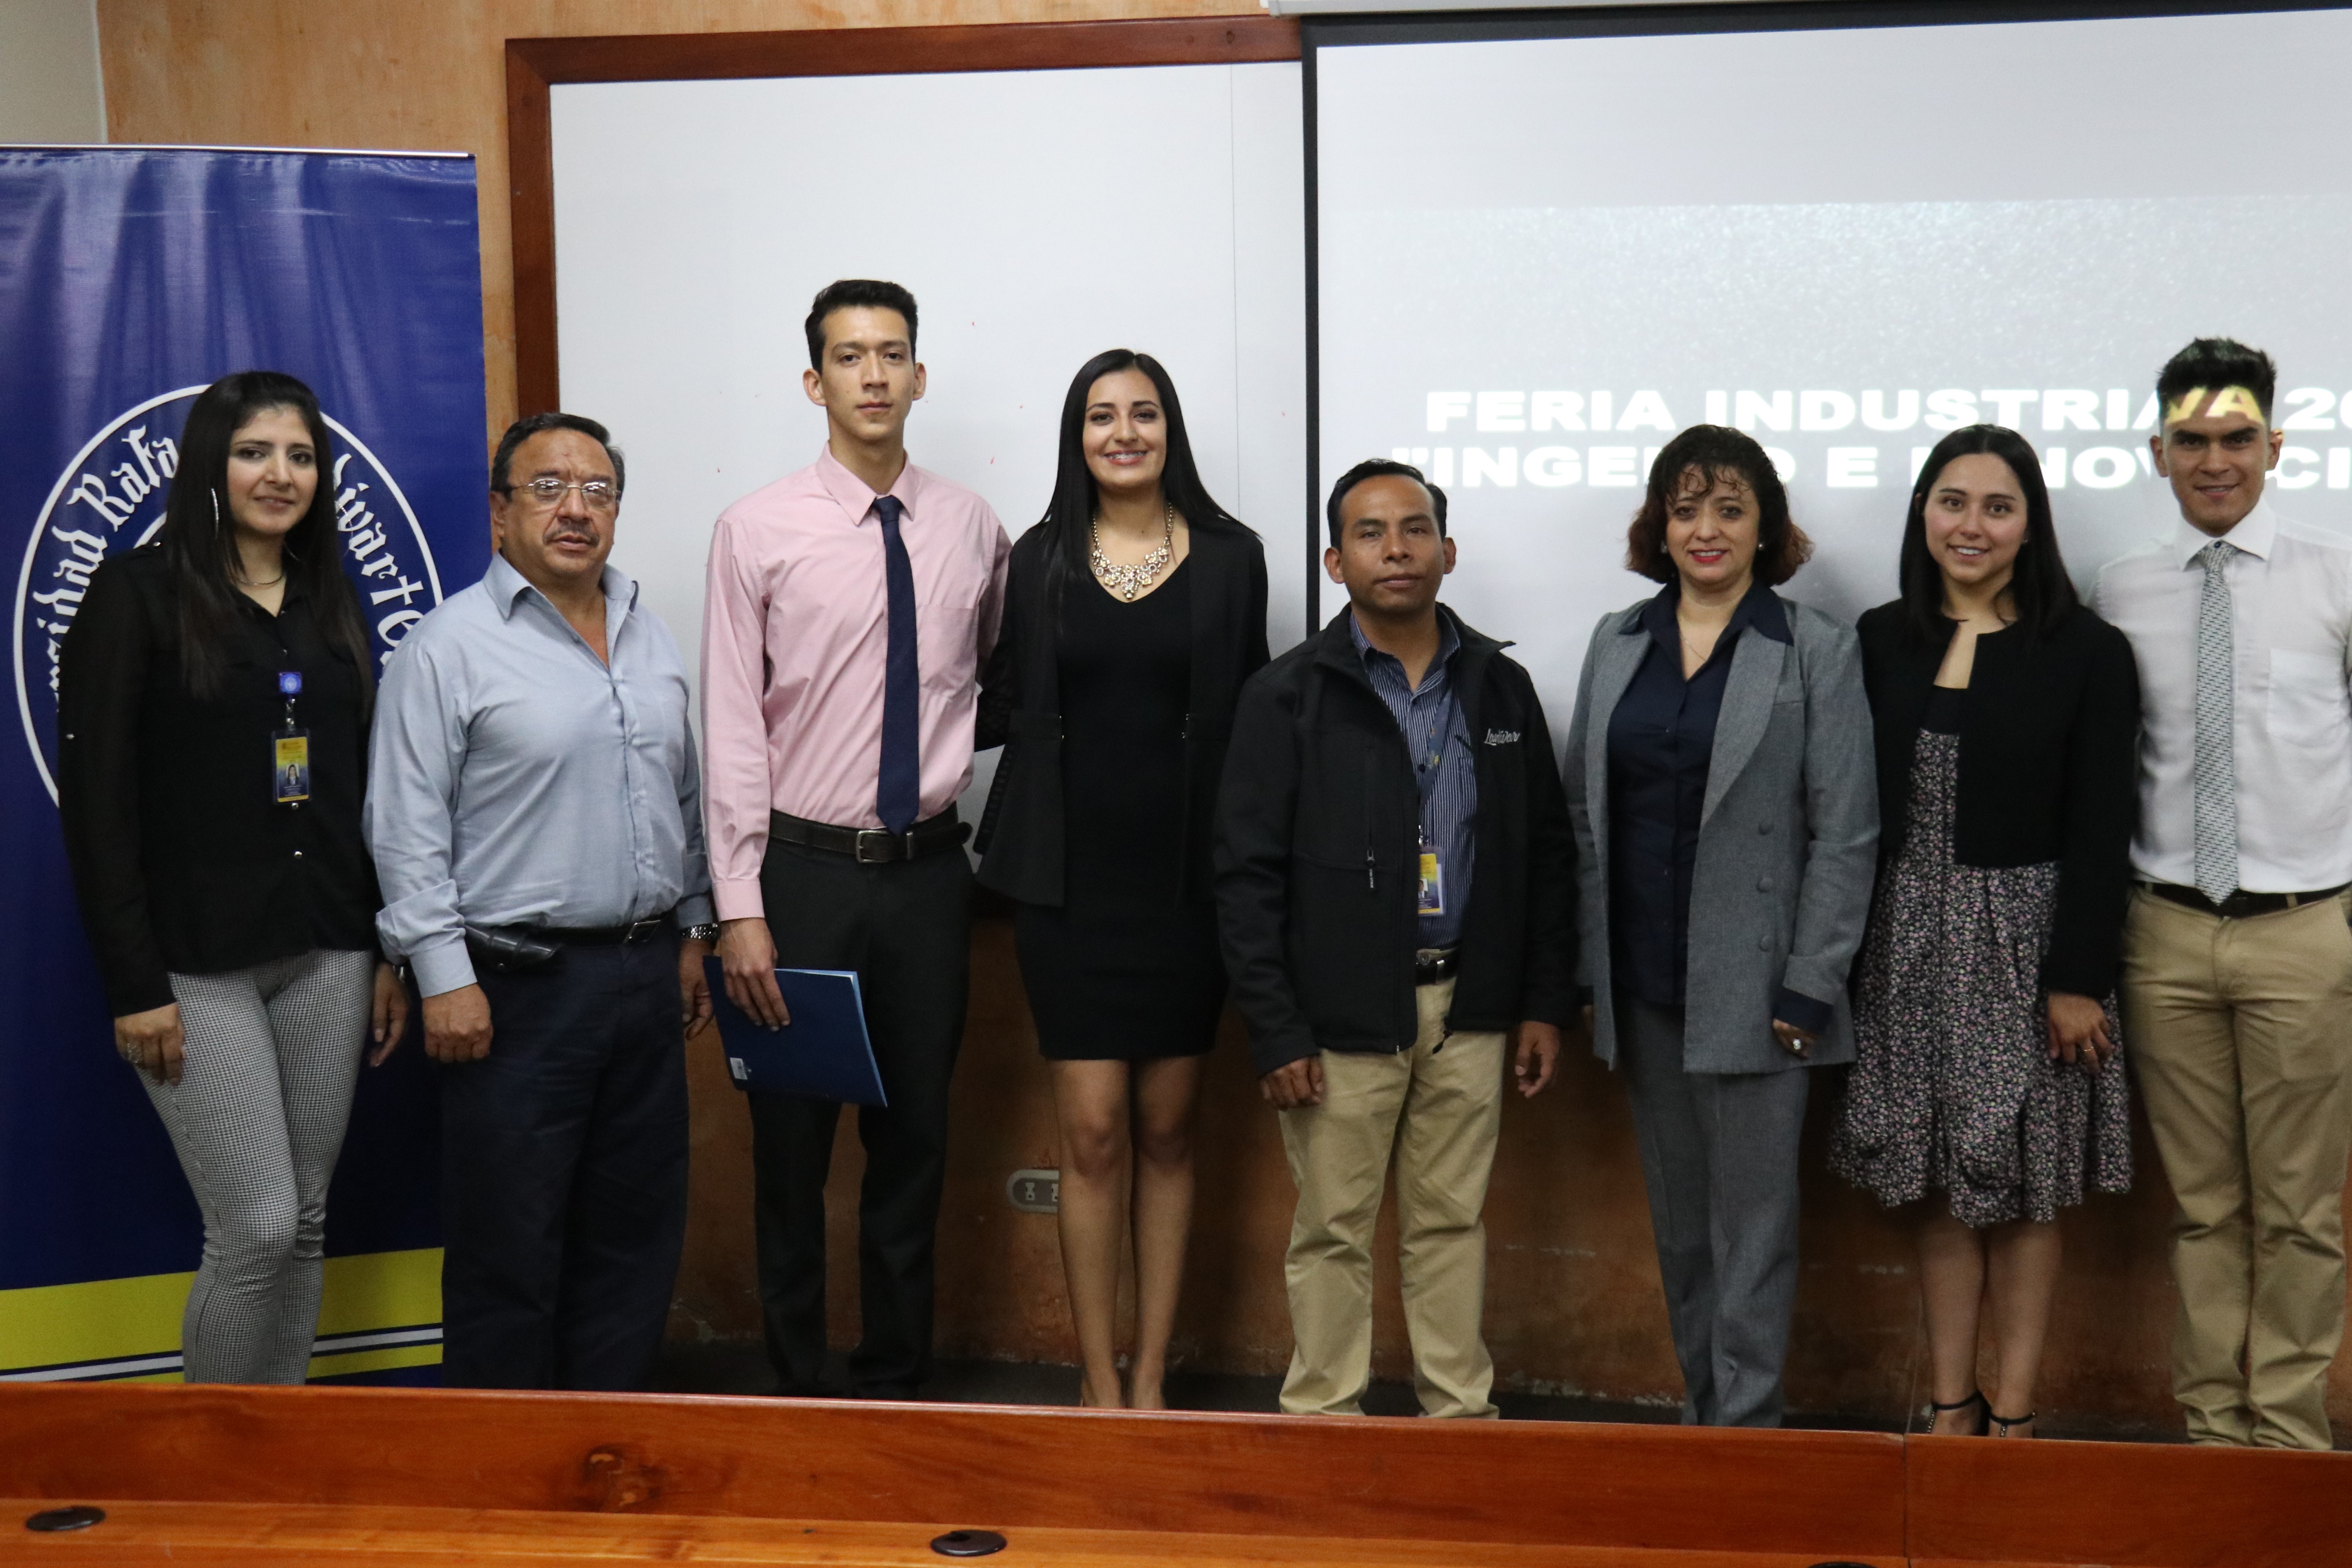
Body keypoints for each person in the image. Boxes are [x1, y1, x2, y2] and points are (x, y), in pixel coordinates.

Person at [57, 369, 410, 1385]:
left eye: (301, 455)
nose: (280, 473)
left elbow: (354, 786)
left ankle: (278, 1460)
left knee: (303, 1220)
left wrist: (383, 946)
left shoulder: (328, 596)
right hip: (194, 967)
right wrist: (135, 986)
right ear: (210, 462)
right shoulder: (137, 592)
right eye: (255, 451)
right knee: (253, 1224)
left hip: (329, 949)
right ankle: (203, 1478)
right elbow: (100, 805)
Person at [1215, 458, 1574, 1418]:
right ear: (1336, 561)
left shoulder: (1500, 689)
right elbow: (1244, 880)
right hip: (1339, 1014)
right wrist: (1277, 1029)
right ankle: (1324, 1423)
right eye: (1370, 533)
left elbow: (1545, 855)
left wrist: (1542, 1000)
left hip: (1473, 1005)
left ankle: (1459, 1418)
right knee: (1331, 1229)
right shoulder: (1287, 695)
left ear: (1447, 551)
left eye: (1415, 529)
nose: (1397, 549)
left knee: (1450, 1221)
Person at [704, 279, 1011, 1400]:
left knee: (914, 1144)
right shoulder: (756, 528)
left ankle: (895, 1381)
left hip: (928, 877)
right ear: (814, 381)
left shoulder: (973, 525)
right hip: (800, 880)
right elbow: (733, 722)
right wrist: (740, 904)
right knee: (790, 1154)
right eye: (849, 356)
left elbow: (983, 676)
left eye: (892, 354)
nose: (873, 375)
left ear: (920, 375)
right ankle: (793, 1386)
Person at [366, 411, 714, 1390]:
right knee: (507, 1250)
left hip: (646, 978)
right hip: (511, 991)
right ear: (499, 513)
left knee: (634, 1241)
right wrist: (442, 976)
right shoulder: (449, 647)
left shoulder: (650, 634)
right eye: (548, 487)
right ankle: (503, 1485)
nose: (575, 508)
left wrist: (694, 927)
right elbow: (404, 824)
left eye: (597, 490)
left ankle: (605, 1456)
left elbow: (680, 794)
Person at [1563, 424, 1876, 1428]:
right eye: (1685, 508)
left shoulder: (1812, 648)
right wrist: (1584, 972)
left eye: (1729, 509)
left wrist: (1811, 983)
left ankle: (1749, 1437)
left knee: (1755, 1229)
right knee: (1683, 1228)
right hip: (1644, 981)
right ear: (1658, 524)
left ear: (1764, 528)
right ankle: (1705, 1424)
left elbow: (1846, 832)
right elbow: (1582, 819)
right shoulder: (1616, 641)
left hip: (1764, 991)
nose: (1705, 529)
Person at [1831, 425, 2139, 1439]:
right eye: (1952, 501)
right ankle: (1951, 1403)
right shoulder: (1877, 637)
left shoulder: (2087, 650)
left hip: (2030, 942)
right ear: (1922, 514)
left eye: (1997, 506)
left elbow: (2103, 825)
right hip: (1905, 939)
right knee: (1934, 1180)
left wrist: (2077, 976)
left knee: (2026, 1183)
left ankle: (2015, 1413)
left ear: (2029, 524)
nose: (1972, 524)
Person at [974, 350, 1268, 1409]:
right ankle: (1097, 1386)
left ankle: (1151, 1381)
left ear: (1169, 428)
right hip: (1069, 888)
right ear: (1077, 435)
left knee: (1169, 1130)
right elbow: (999, 703)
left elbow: (1250, 720)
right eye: (1102, 416)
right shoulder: (1040, 555)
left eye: (1143, 413)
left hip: (1189, 888)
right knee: (1092, 1130)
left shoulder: (1234, 557)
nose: (1123, 432)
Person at [2094, 338, 2352, 1450]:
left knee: (2301, 1211)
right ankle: (2210, 1433)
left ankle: (2287, 1434)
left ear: (2274, 445)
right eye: (2191, 440)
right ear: (2156, 451)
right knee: (2202, 1206)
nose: (2214, 459)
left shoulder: (2335, 577)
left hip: (2302, 931)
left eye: (2235, 437)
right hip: (2163, 932)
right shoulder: (2120, 589)